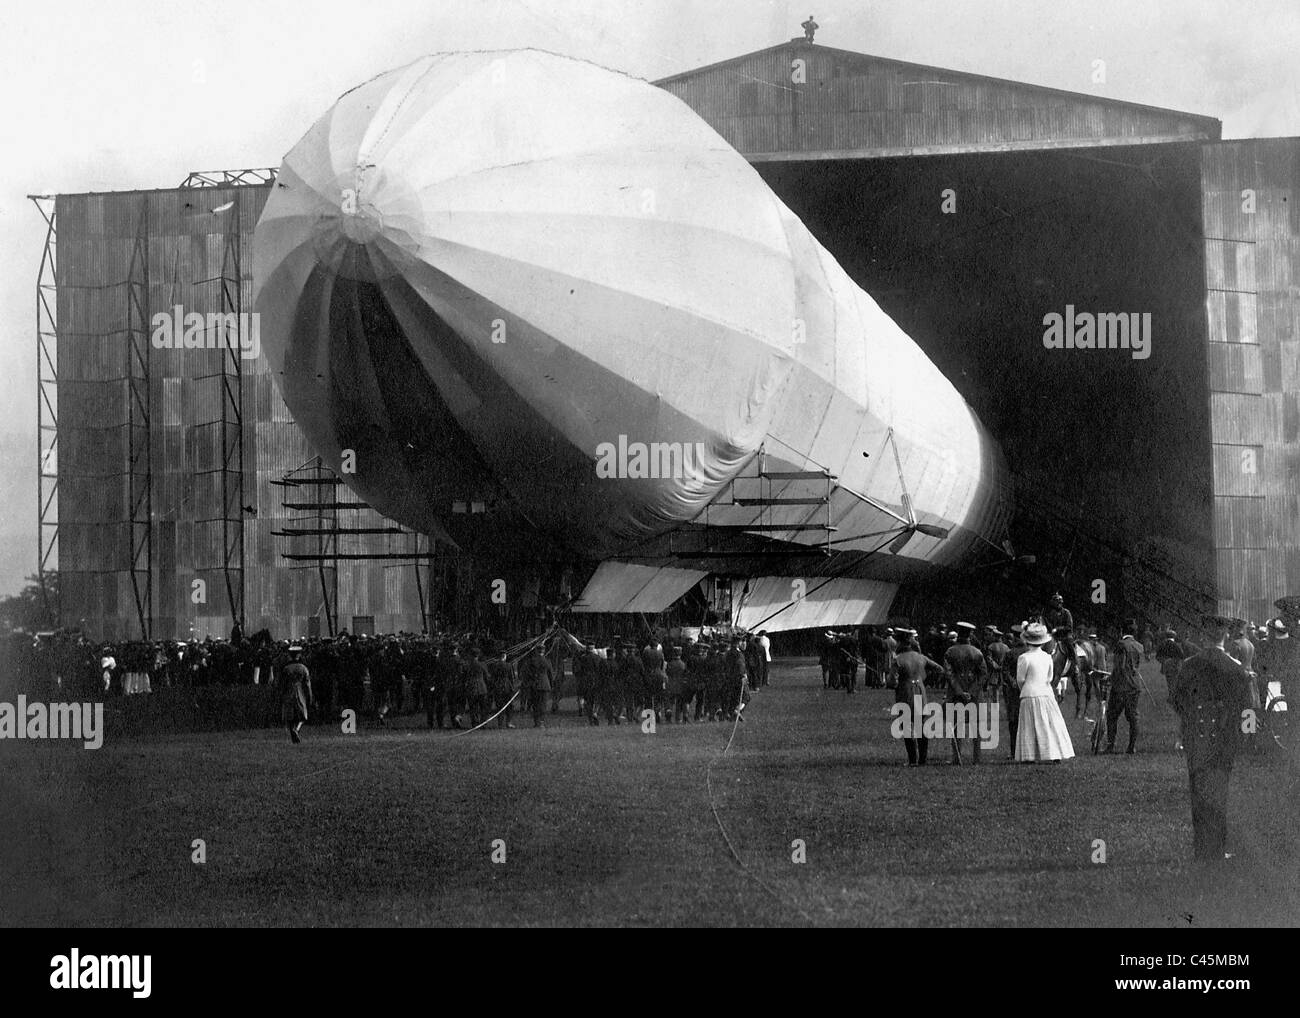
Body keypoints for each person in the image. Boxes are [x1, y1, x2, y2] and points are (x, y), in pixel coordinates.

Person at [1169, 616, 1252, 861]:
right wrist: (1244, 736)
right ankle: (1216, 848)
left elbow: (1177, 701)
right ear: (1225, 636)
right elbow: (1245, 708)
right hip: (1224, 738)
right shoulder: (1235, 667)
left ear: (1204, 636)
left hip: (1196, 736)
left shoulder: (1189, 664)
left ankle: (1202, 848)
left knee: (1197, 790)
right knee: (1219, 792)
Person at [1014, 623, 1074, 763]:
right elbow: (1050, 677)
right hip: (1046, 693)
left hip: (1029, 693)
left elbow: (1021, 679)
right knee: (1051, 724)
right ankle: (1054, 754)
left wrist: (1026, 688)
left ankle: (1029, 755)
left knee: (1029, 726)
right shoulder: (1047, 657)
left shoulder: (1024, 658)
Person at [891, 629, 943, 766]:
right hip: (920, 692)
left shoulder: (898, 659)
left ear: (899, 642)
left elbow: (891, 682)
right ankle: (923, 759)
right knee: (920, 726)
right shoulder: (921, 657)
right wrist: (924, 678)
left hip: (905, 693)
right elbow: (939, 669)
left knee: (907, 726)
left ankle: (912, 759)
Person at [944, 622, 988, 764]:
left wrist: (959, 691)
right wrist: (971, 691)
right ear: (970, 634)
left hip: (956, 694)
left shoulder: (950, 652)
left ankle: (957, 757)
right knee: (977, 727)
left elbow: (949, 674)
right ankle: (977, 758)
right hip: (975, 694)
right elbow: (983, 674)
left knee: (956, 726)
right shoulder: (977, 652)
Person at [1106, 620, 1144, 754]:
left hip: (1121, 686)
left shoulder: (1121, 645)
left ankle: (1110, 746)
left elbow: (1119, 667)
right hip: (1135, 685)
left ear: (1122, 631)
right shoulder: (1139, 646)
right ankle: (1131, 747)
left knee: (1111, 716)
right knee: (1133, 717)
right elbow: (1136, 666)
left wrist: (1110, 678)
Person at [280, 645, 313, 744]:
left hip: (288, 691)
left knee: (289, 714)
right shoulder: (303, 668)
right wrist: (310, 696)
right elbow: (307, 684)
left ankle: (292, 731)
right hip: (300, 690)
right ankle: (297, 729)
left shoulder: (286, 668)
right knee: (302, 714)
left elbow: (282, 683)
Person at [518, 643, 555, 728]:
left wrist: (527, 683)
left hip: (534, 685)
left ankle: (536, 722)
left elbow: (526, 673)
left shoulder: (531, 661)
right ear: (544, 651)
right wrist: (551, 685)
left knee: (535, 704)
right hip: (545, 685)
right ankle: (541, 722)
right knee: (543, 704)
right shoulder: (547, 661)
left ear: (536, 651)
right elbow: (550, 675)